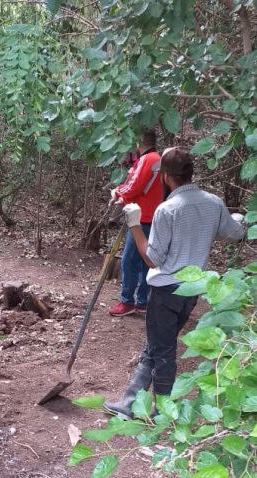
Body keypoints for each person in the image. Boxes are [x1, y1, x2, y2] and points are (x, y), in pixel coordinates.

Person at [103, 147, 244, 418]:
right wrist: (240, 219)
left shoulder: (167, 210)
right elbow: (234, 232)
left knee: (163, 350)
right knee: (157, 345)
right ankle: (130, 401)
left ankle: (162, 411)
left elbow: (153, 259)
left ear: (166, 176)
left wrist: (134, 224)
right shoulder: (213, 202)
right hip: (192, 290)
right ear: (191, 173)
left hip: (166, 289)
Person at [109, 129, 163, 317]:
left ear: (140, 142)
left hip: (143, 217)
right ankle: (142, 301)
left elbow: (135, 184)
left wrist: (118, 193)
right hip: (149, 214)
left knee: (130, 260)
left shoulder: (149, 159)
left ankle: (128, 301)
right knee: (144, 261)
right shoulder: (156, 158)